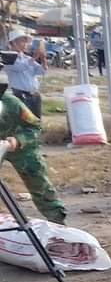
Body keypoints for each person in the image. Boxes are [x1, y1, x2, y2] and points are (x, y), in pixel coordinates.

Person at [0, 81, 66, 223]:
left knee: (38, 184)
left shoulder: (12, 104)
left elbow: (34, 127)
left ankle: (57, 221)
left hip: (21, 148)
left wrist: (18, 140)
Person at [5, 30, 46, 118]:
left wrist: (43, 58)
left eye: (25, 41)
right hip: (20, 95)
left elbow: (42, 71)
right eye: (22, 41)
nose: (25, 44)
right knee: (23, 123)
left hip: (34, 94)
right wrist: (35, 57)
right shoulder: (8, 58)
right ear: (13, 43)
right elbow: (20, 67)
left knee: (36, 122)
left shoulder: (27, 58)